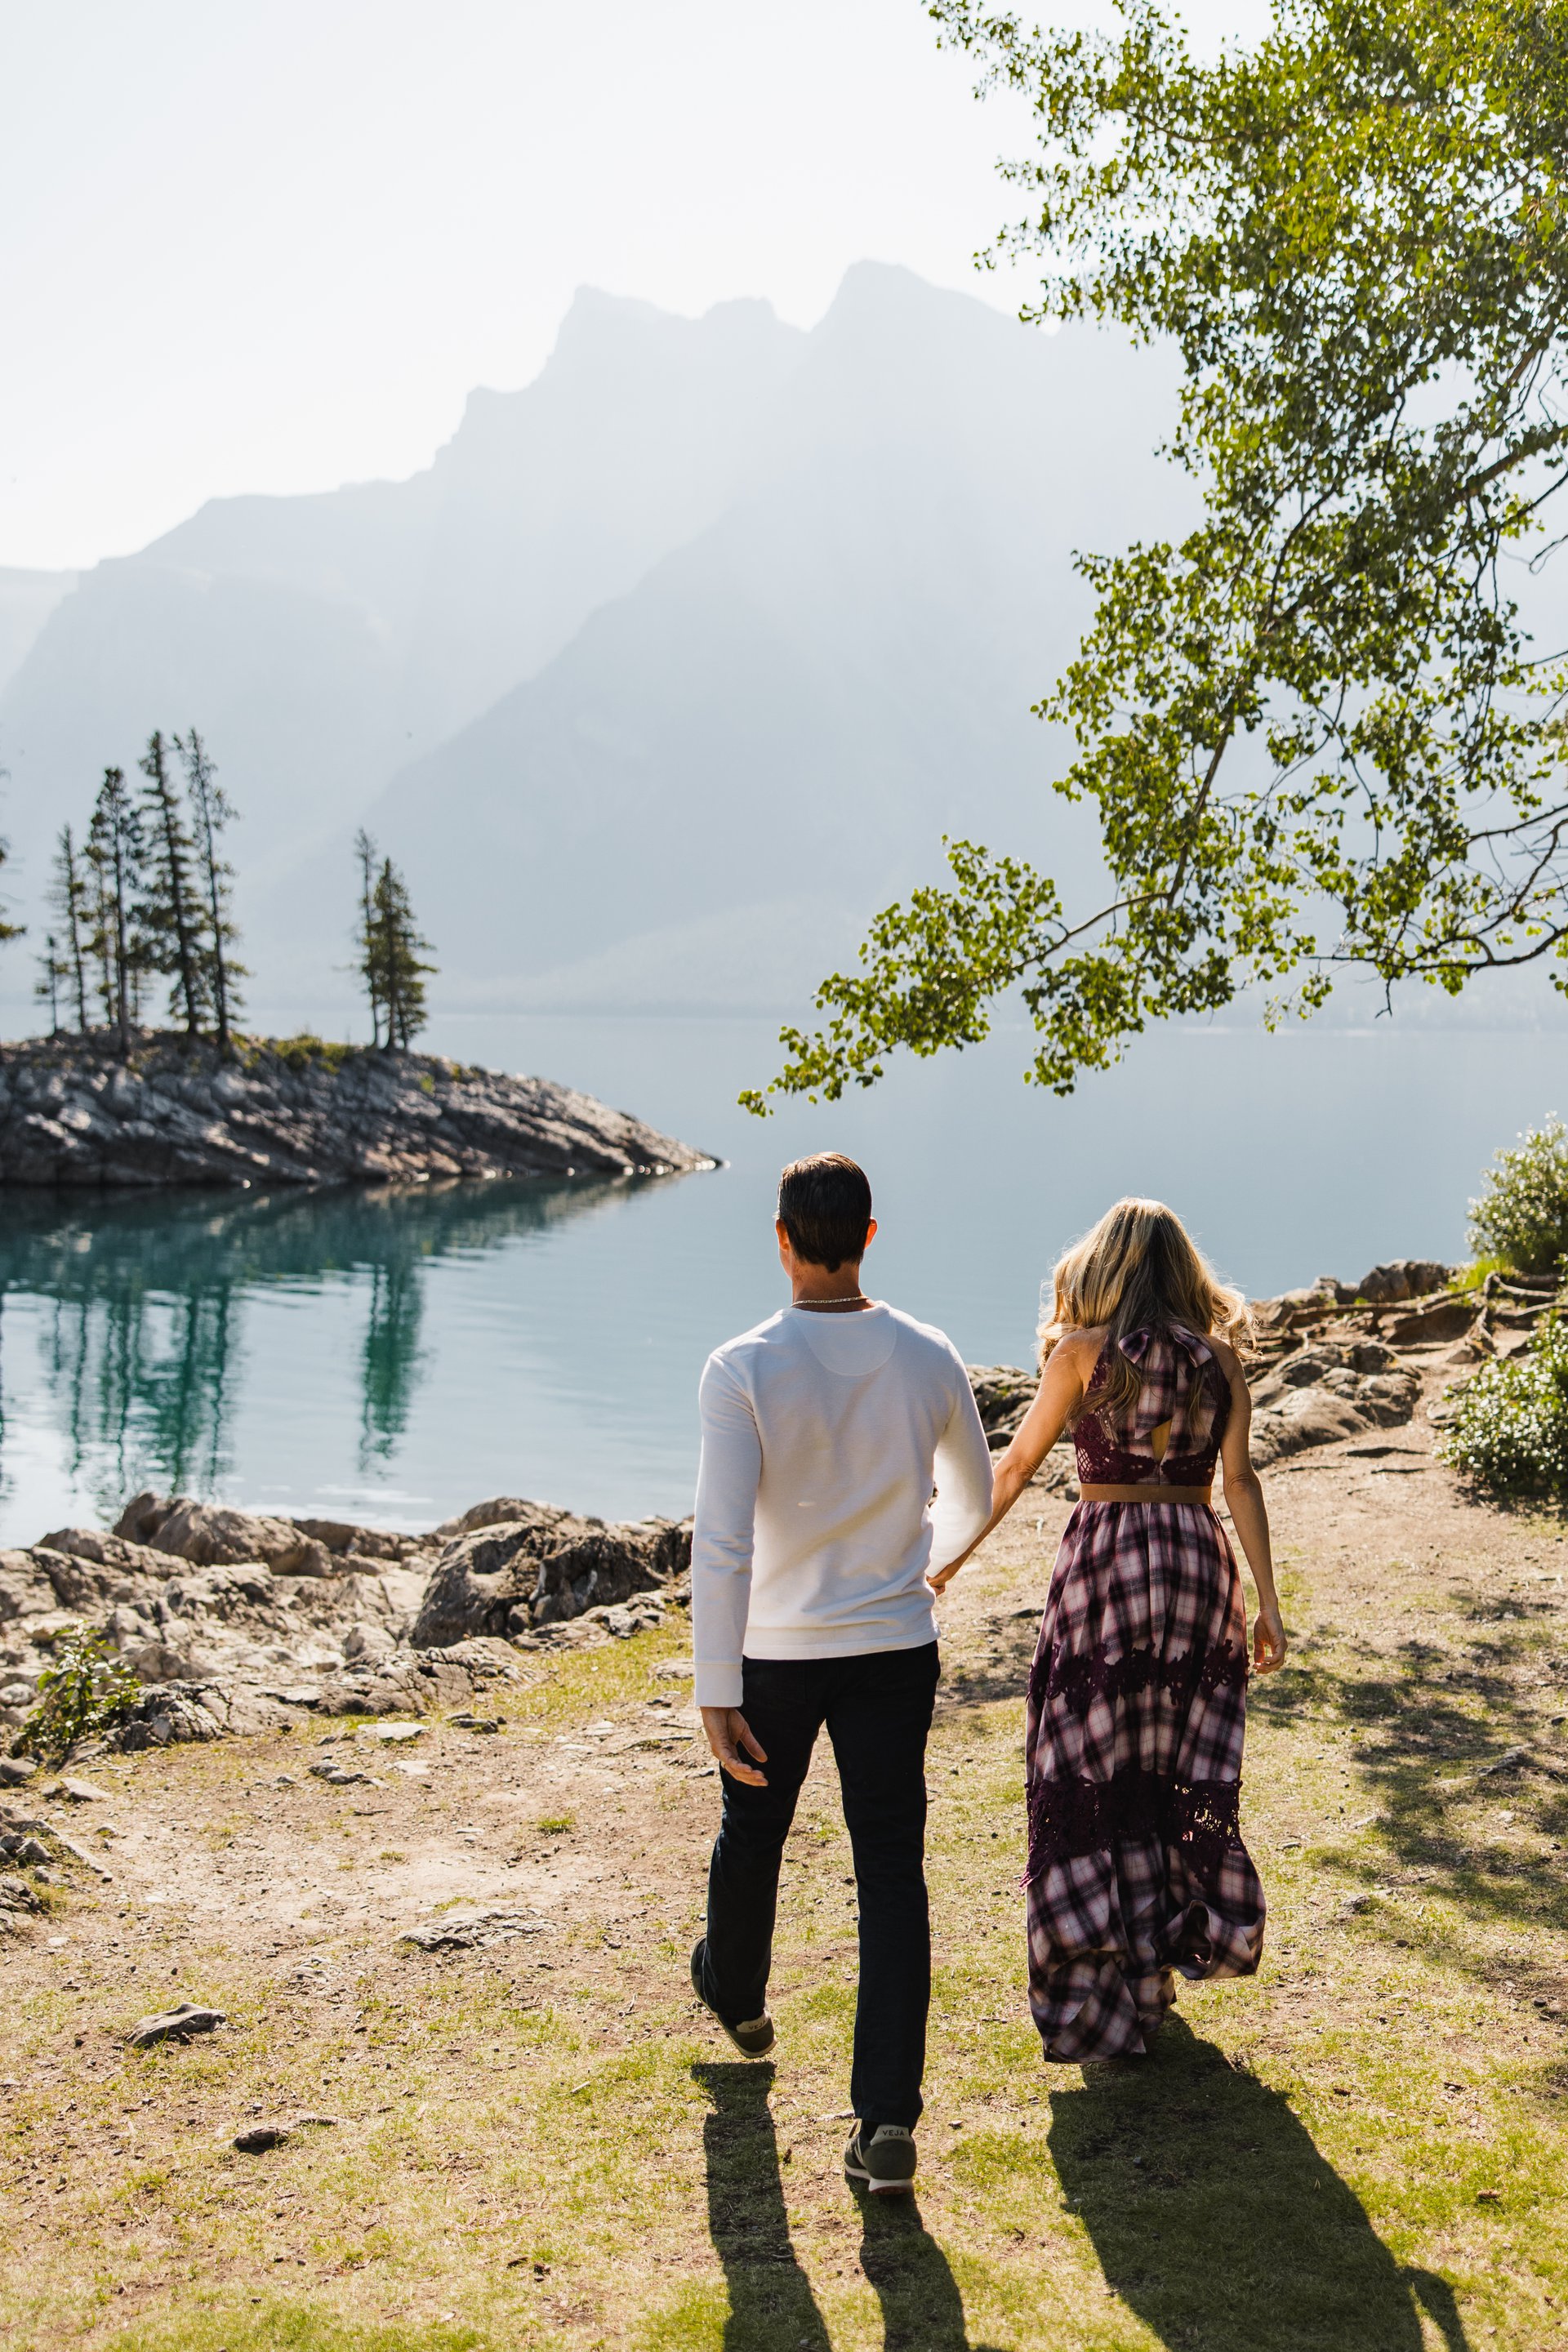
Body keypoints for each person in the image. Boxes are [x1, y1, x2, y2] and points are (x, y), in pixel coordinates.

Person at [688, 1151, 994, 2193]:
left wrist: (714, 1686)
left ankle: (737, 1995)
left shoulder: (741, 1366)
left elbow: (722, 1540)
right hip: (895, 1649)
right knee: (891, 1874)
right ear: (869, 1236)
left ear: (781, 1241)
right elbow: (976, 1488)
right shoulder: (929, 1354)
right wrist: (930, 1568)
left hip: (774, 1652)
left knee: (754, 1829)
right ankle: (888, 2123)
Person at [932, 1197, 1285, 2065]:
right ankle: (1161, 1953)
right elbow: (1239, 1482)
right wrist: (1268, 1603)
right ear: (1182, 1271)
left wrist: (941, 1563)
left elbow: (1012, 1468)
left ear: (1106, 1267)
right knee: (1170, 1764)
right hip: (1197, 1565)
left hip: (1108, 1567)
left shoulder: (1080, 1357)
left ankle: (1104, 1978)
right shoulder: (1220, 1362)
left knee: (1090, 1764)